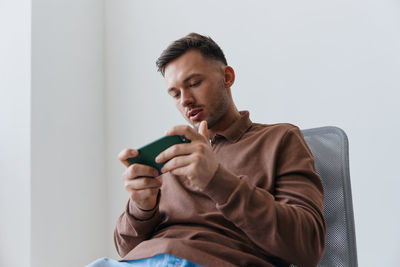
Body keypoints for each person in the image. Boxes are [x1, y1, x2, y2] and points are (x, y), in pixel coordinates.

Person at [87, 33, 326, 267]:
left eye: (194, 84)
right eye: (175, 94)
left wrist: (215, 179)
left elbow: (308, 247)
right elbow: (126, 249)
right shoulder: (171, 154)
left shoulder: (280, 139)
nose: (185, 100)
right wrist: (141, 208)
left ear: (227, 77)